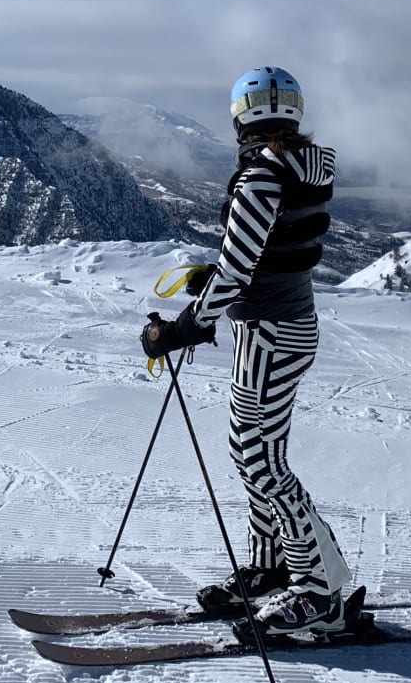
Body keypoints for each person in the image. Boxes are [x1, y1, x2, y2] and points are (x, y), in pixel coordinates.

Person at [139, 66, 353, 637]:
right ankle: (268, 566)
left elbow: (237, 271)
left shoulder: (261, 174)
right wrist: (219, 278)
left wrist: (183, 328)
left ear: (241, 115)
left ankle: (317, 589)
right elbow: (272, 248)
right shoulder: (300, 166)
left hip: (267, 333)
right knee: (253, 450)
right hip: (288, 324)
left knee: (260, 459)